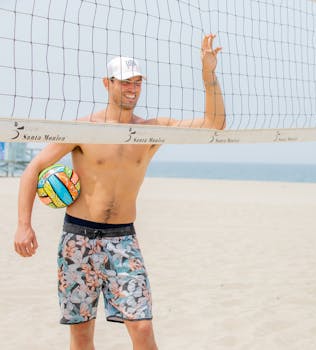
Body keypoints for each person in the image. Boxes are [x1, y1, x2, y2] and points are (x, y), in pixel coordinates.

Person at [13, 34, 225, 350]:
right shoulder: (84, 128)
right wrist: (23, 224)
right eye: (125, 82)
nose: (132, 89)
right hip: (78, 238)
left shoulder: (151, 130)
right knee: (82, 334)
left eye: (137, 82)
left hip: (123, 239)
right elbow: (33, 168)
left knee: (141, 327)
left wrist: (209, 76)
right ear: (107, 83)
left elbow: (214, 124)